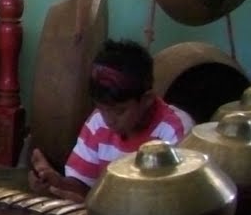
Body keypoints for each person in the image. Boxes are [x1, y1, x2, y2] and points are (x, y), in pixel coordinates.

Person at [30, 39, 193, 199]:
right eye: (101, 108)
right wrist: (57, 183)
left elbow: (174, 202)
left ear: (146, 100)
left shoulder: (175, 131)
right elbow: (84, 187)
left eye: (120, 111)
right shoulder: (97, 123)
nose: (109, 120)